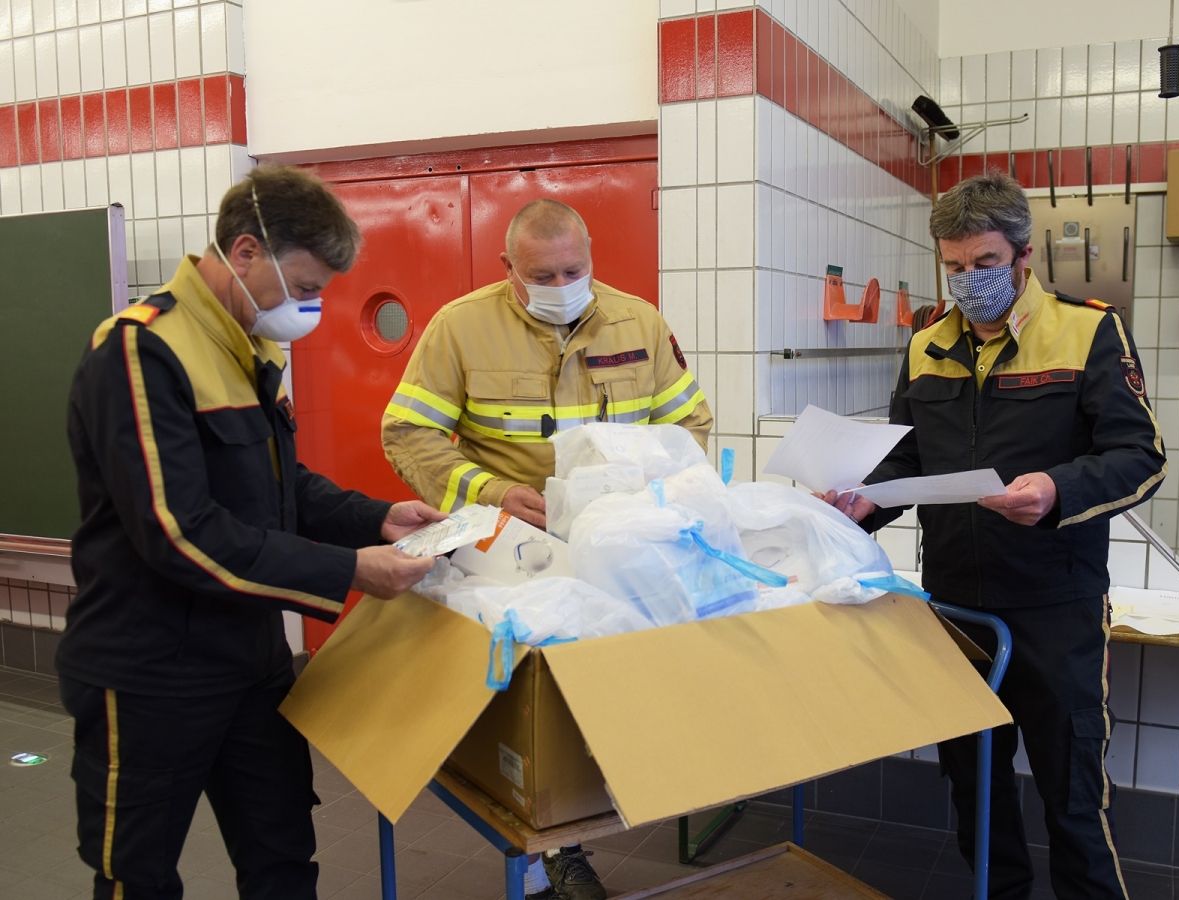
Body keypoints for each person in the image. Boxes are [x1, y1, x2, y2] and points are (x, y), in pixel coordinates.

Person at [59, 165, 445, 900]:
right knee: (137, 875)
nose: (312, 306)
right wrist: (349, 571)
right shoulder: (142, 352)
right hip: (149, 675)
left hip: (250, 665)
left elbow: (276, 486)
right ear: (244, 252)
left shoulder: (247, 349)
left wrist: (376, 517)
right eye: (304, 287)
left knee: (282, 857)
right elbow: (180, 532)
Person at [824, 172, 1166, 900]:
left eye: (983, 264)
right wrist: (862, 503)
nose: (968, 281)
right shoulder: (926, 346)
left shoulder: (1088, 330)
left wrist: (1056, 490)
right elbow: (909, 458)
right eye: (953, 266)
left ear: (1022, 252)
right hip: (955, 608)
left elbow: (1140, 458)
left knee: (1071, 794)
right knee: (975, 788)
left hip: (1055, 607)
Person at [381, 198, 712, 900]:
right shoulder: (459, 327)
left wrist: (643, 492)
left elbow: (689, 423)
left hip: (610, 539)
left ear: (592, 255)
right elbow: (407, 433)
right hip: (506, 545)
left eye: (574, 268)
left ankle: (577, 823)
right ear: (508, 268)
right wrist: (490, 492)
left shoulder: (639, 322)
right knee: (526, 702)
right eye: (542, 273)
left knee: (606, 690)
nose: (562, 284)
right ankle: (544, 849)